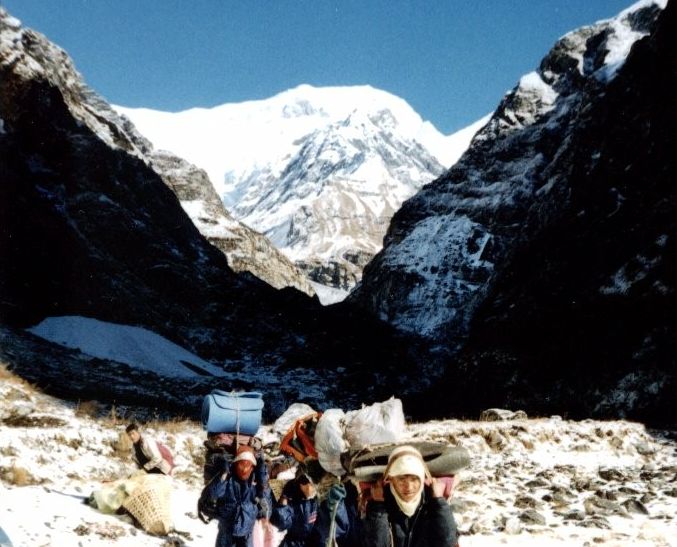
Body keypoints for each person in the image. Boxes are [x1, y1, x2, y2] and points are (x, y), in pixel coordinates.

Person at [362, 445, 458, 547]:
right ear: (391, 479)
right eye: (402, 479)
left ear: (421, 477)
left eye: (414, 479)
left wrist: (439, 501)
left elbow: (448, 542)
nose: (409, 487)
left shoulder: (431, 500)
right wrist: (378, 505)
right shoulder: (381, 500)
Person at [200, 445, 272, 547]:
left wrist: (263, 481)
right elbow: (212, 495)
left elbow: (267, 506)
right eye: (241, 465)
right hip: (226, 534)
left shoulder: (256, 482)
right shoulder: (228, 479)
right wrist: (223, 475)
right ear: (236, 464)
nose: (244, 469)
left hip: (247, 535)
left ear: (252, 467)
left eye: (248, 465)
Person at [270, 472, 319, 547]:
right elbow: (280, 524)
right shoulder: (292, 498)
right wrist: (284, 500)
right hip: (292, 543)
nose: (315, 488)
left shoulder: (315, 500)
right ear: (302, 485)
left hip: (310, 541)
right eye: (312, 484)